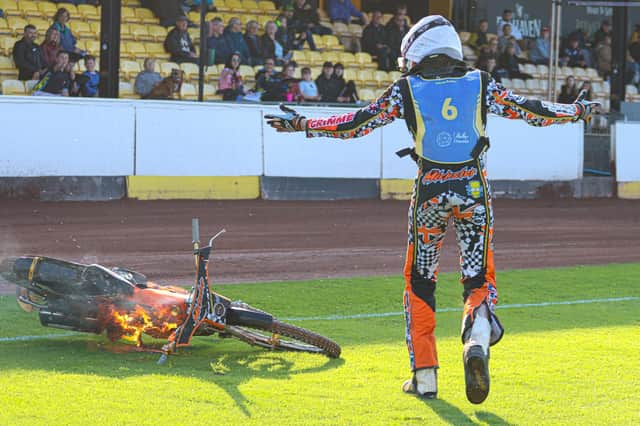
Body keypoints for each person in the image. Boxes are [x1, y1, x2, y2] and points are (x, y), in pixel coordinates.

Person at [264, 15, 598, 404]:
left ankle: (424, 377)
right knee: (477, 279)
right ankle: (477, 336)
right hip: (473, 191)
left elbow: (355, 123)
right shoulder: (481, 83)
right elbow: (531, 110)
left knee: (420, 281)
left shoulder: (405, 89)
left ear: (418, 52)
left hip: (429, 196)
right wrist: (576, 112)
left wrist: (304, 123)